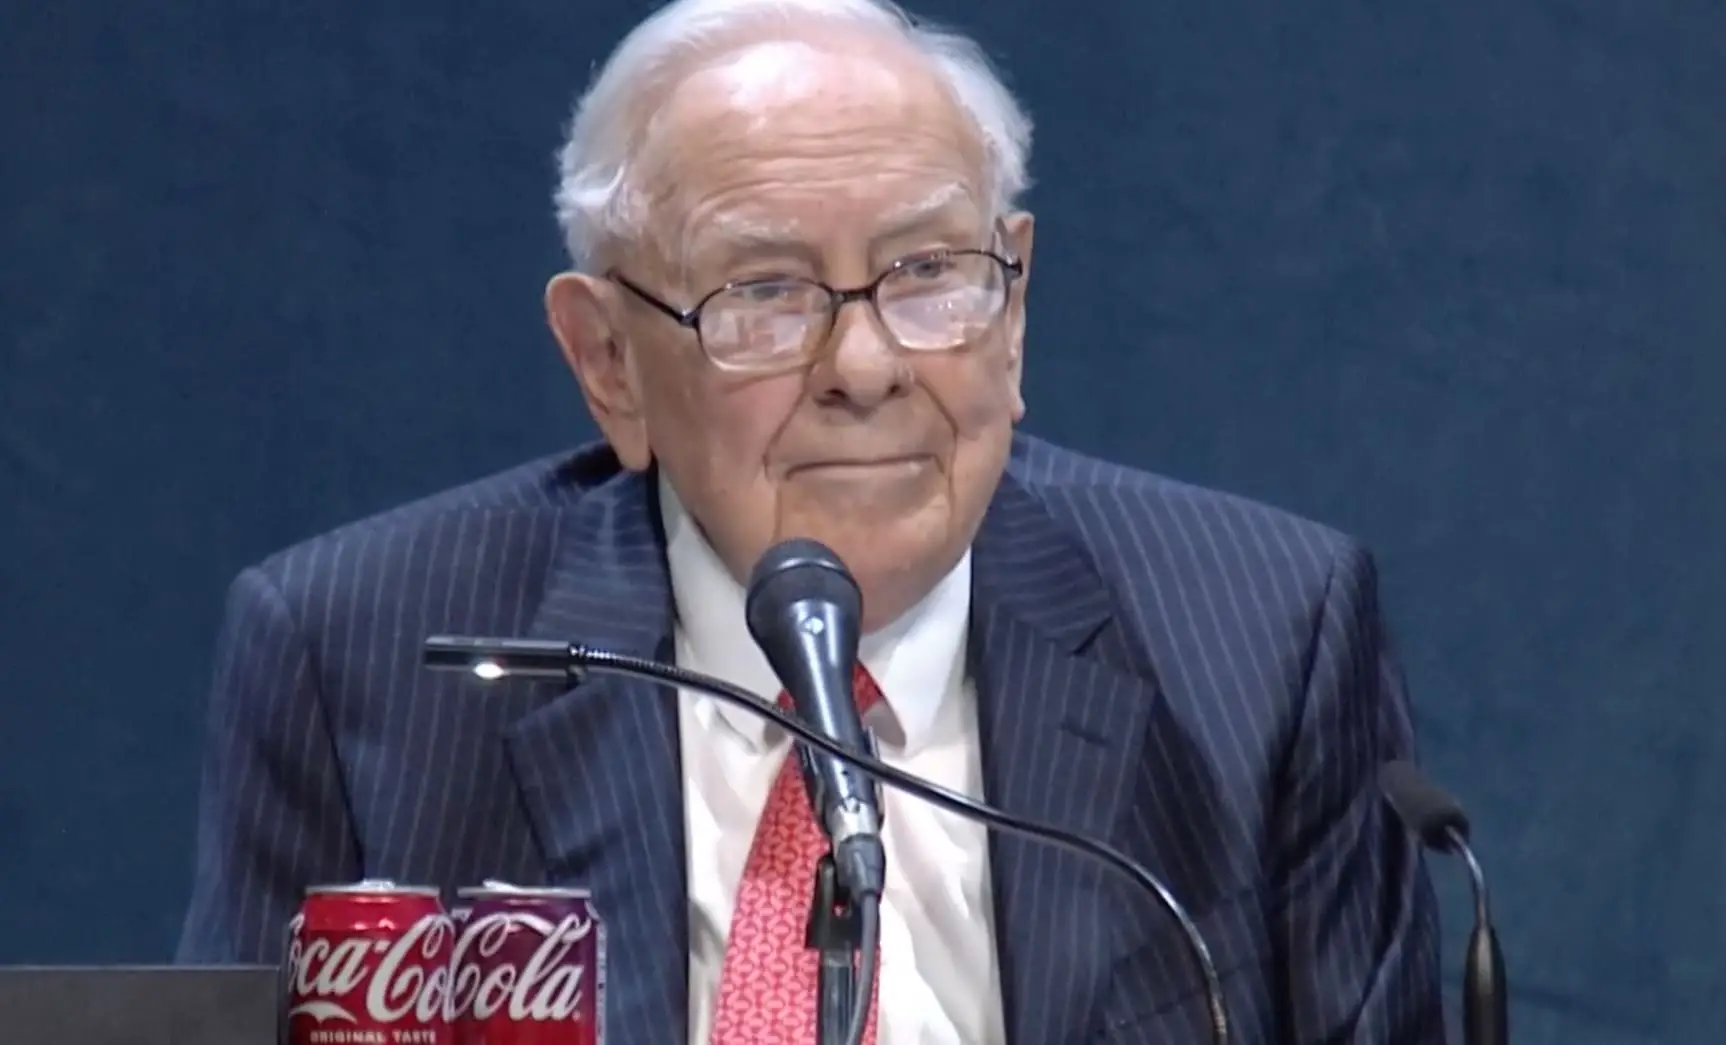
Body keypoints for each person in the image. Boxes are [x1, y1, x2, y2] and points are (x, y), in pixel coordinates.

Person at [176, 0, 1446, 1041]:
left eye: (929, 274)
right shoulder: (365, 657)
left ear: (1013, 311)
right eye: (765, 292)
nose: (865, 365)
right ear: (608, 361)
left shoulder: (1262, 639)